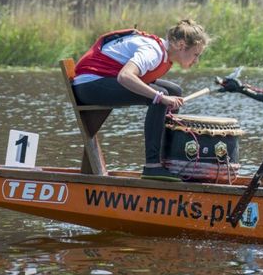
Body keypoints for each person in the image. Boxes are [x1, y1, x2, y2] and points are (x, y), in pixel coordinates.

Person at [72, 19, 210, 182]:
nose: (196, 60)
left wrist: (162, 96)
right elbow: (125, 76)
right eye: (195, 54)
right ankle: (152, 166)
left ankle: (165, 160)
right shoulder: (153, 51)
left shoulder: (164, 53)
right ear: (181, 45)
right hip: (89, 85)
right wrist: (159, 97)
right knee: (160, 96)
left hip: (102, 80)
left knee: (174, 92)